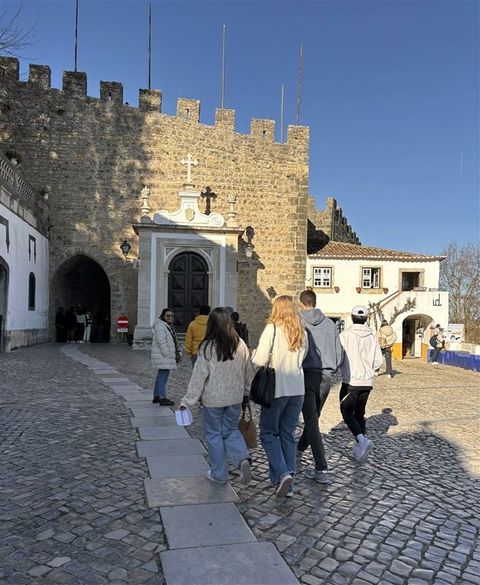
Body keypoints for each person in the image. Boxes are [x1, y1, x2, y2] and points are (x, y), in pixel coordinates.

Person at [180, 307, 253, 485]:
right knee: (231, 430)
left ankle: (219, 473)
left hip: (213, 400)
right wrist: (246, 392)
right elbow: (248, 372)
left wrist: (187, 401)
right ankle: (242, 459)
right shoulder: (240, 344)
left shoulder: (207, 347)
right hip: (234, 398)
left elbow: (198, 377)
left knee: (214, 435)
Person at [252, 295, 308, 498]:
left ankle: (283, 473)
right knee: (287, 434)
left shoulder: (272, 328)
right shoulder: (302, 331)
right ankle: (287, 482)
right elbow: (304, 357)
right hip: (297, 389)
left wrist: (254, 354)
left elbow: (260, 359)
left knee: (268, 433)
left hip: (277, 388)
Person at [297, 289, 343, 483]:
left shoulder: (297, 322)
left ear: (301, 303)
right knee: (313, 417)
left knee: (311, 420)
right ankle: (298, 450)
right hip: (325, 375)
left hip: (305, 374)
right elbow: (339, 353)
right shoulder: (330, 324)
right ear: (315, 302)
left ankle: (321, 468)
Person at [339, 305, 383, 463]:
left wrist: (341, 367)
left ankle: (363, 441)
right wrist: (370, 370)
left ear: (352, 317)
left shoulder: (345, 336)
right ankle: (361, 446)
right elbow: (379, 360)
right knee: (359, 414)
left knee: (346, 413)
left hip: (351, 381)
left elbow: (340, 357)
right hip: (367, 382)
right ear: (366, 318)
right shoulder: (372, 336)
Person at [151, 308, 181, 406]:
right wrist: (167, 353)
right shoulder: (161, 326)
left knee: (161, 375)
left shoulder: (166, 326)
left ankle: (156, 396)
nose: (170, 317)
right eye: (168, 315)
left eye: (172, 316)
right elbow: (161, 341)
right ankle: (162, 398)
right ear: (163, 316)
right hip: (163, 356)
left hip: (163, 356)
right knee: (163, 375)